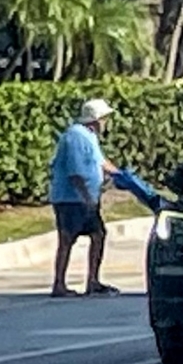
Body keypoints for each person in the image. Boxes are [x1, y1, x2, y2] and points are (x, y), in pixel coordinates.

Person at [50, 97, 121, 297]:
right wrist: (86, 197)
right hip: (71, 199)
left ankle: (93, 280)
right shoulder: (75, 137)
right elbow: (75, 173)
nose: (106, 122)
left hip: (87, 197)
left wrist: (122, 176)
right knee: (67, 238)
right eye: (104, 118)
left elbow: (101, 162)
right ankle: (59, 284)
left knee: (98, 234)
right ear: (95, 119)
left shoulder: (90, 136)